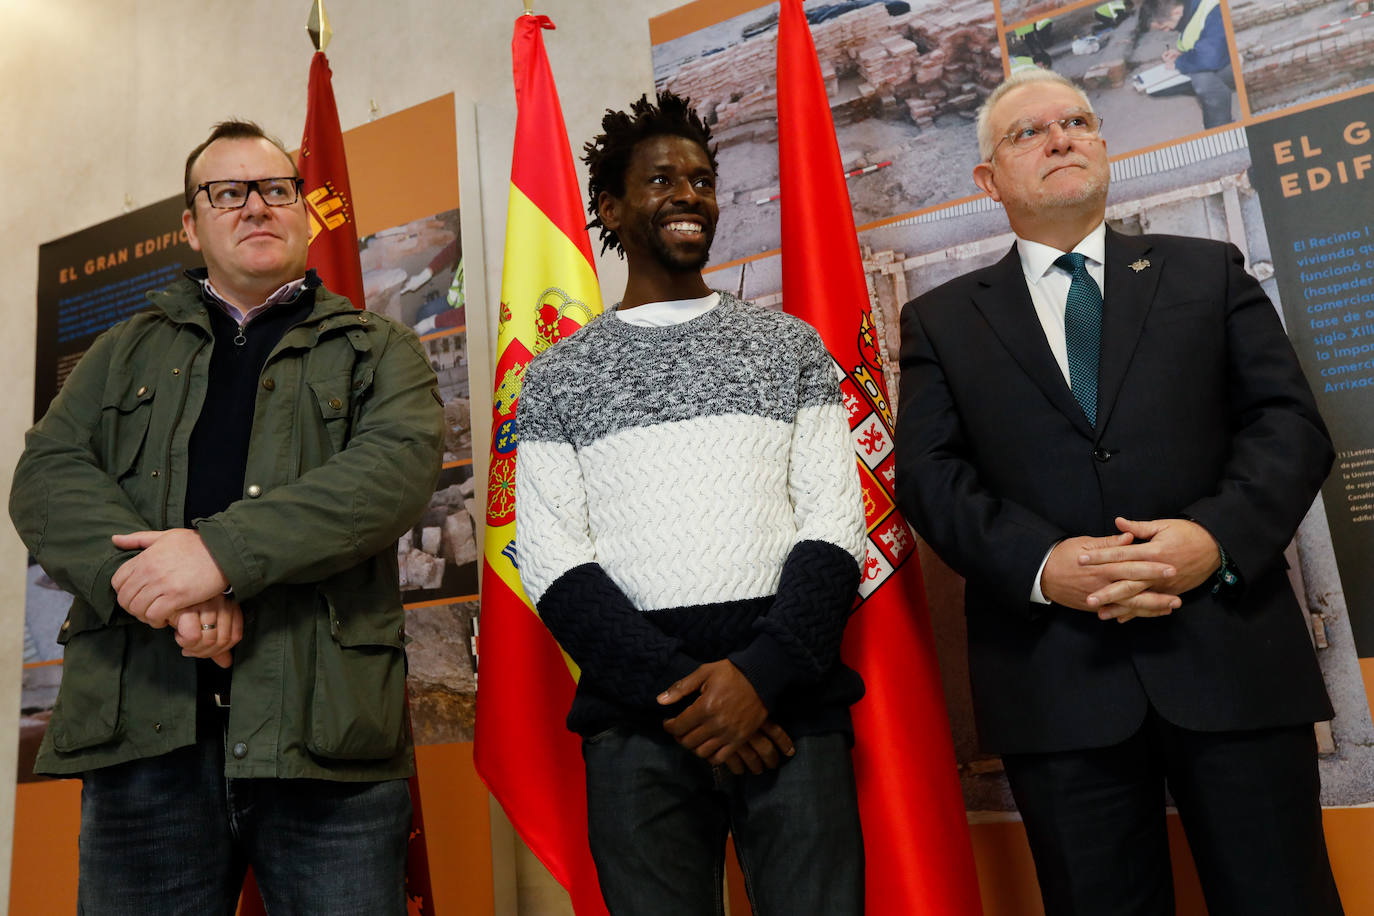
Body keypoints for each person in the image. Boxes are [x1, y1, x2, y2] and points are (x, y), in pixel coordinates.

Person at [894, 69, 1344, 915]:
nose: (1062, 137)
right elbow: (929, 475)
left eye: (1077, 121)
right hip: (1057, 687)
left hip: (1232, 661)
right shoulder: (943, 321)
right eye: (1030, 132)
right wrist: (1043, 566)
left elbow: (1288, 427)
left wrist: (1212, 542)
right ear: (989, 182)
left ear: (1103, 145)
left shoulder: (1208, 273)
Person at [10, 120, 444, 915]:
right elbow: (46, 476)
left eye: (276, 189)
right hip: (145, 737)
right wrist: (153, 587)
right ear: (191, 223)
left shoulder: (379, 348)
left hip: (326, 743)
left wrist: (214, 557)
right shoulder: (122, 349)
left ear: (305, 213)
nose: (255, 207)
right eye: (227, 192)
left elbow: (393, 473)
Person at [514, 91, 867, 915]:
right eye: (662, 180)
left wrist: (760, 678)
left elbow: (835, 531)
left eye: (703, 181)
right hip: (638, 726)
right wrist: (693, 697)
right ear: (610, 206)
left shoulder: (789, 347)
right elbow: (555, 562)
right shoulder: (558, 377)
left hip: (791, 710)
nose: (689, 196)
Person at [1153, 0, 1235, 128]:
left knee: (1202, 80)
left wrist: (1180, 62)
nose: (1165, 31)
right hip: (1223, 57)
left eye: (1164, 27)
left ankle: (1221, 128)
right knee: (1195, 74)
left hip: (1233, 61)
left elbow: (1210, 57)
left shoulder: (1213, 9)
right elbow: (1202, 42)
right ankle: (1213, 118)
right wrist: (1181, 54)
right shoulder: (1188, 12)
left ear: (1176, 12)